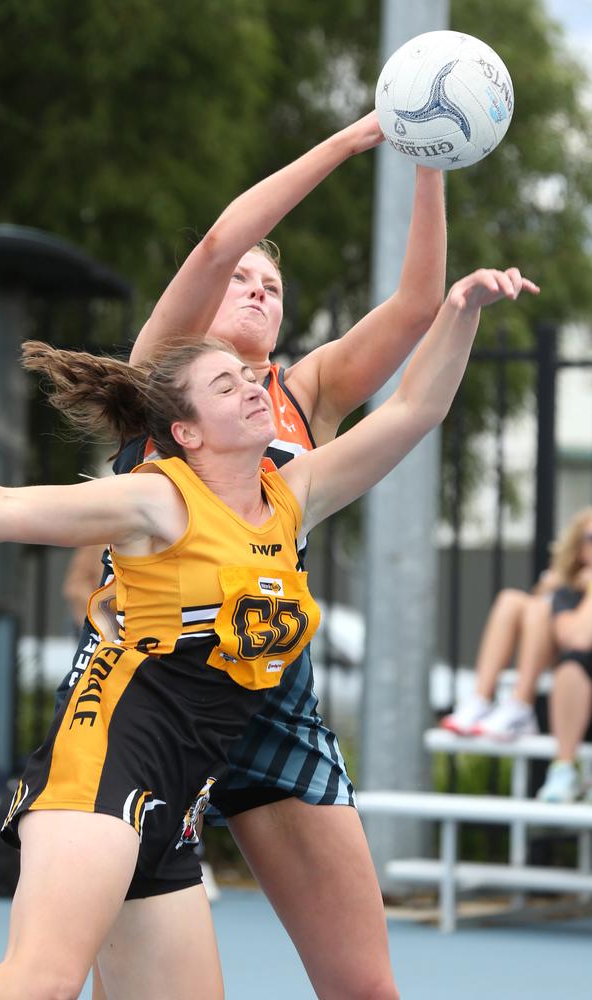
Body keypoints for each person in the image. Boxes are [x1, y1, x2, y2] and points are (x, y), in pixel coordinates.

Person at [0, 266, 537, 999]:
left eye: (249, 380)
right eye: (225, 386)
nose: (254, 389)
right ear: (185, 431)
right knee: (40, 982)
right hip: (103, 767)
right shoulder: (157, 500)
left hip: (178, 799)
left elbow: (415, 406)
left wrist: (460, 307)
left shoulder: (291, 497)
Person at [55, 110, 450, 1000]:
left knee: (366, 987)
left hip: (272, 693)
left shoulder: (304, 393)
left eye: (272, 284)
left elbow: (418, 307)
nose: (257, 288)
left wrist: (431, 155)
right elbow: (213, 242)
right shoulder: (159, 383)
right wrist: (352, 143)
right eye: (243, 280)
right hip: (150, 690)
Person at [441, 508, 592, 742]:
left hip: (578, 690)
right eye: (590, 538)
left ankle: (520, 705)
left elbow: (577, 639)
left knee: (541, 607)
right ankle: (482, 699)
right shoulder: (569, 588)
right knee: (511, 600)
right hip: (561, 686)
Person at [536, 507, 592, 802]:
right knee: (571, 667)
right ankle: (564, 769)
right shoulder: (568, 593)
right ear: (579, 548)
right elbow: (577, 639)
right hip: (576, 707)